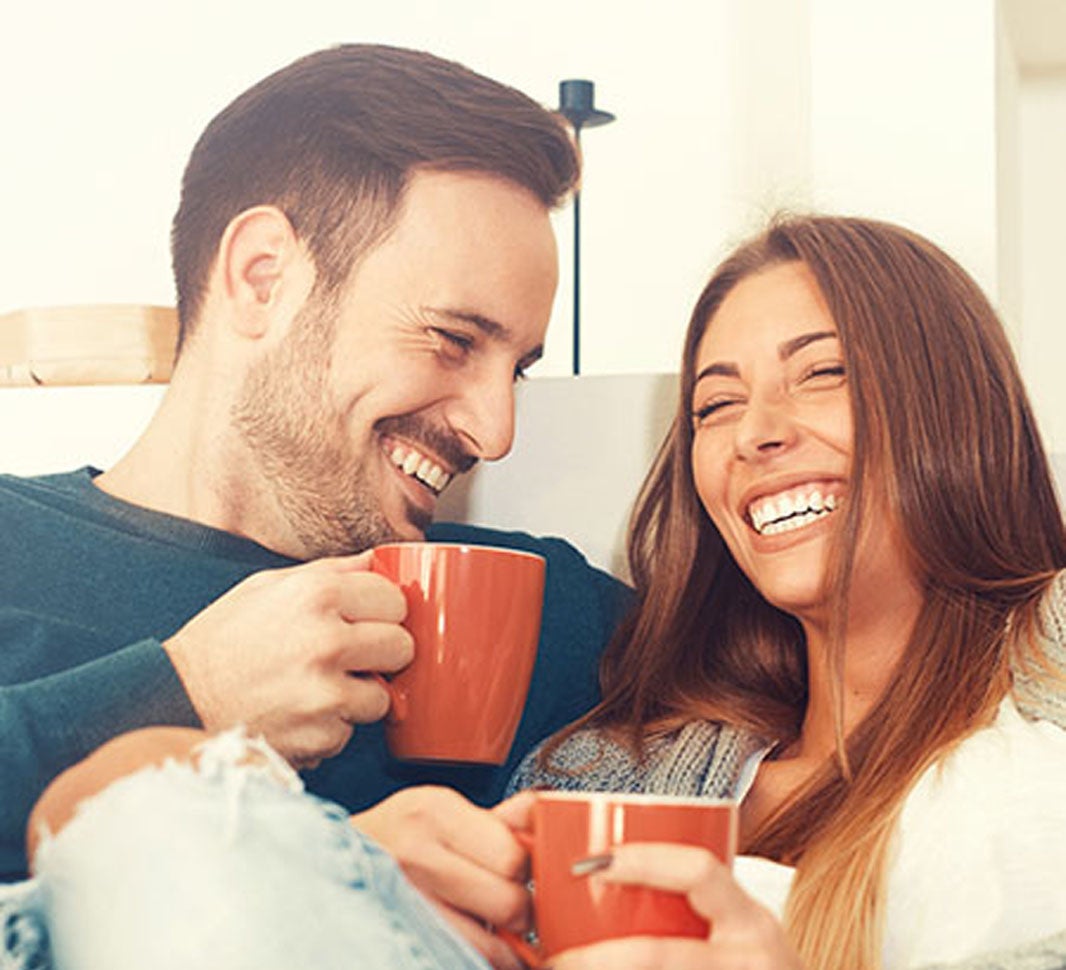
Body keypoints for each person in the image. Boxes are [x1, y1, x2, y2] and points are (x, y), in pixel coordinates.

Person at [0, 43, 630, 968]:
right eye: (453, 340)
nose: (496, 430)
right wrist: (188, 692)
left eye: (518, 371)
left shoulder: (531, 601)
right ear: (263, 277)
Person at [511, 214, 1066, 970]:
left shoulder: (1043, 680)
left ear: (951, 402)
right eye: (716, 406)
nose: (754, 434)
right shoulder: (600, 780)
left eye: (822, 372)